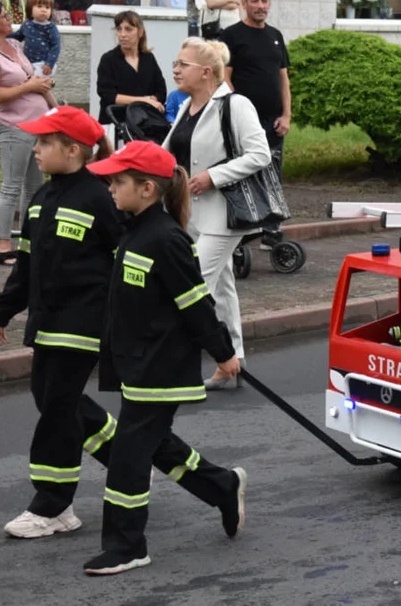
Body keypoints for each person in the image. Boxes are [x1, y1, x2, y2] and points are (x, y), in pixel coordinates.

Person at [83, 140, 246, 575]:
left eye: (118, 181)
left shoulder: (167, 239)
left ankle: (127, 545)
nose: (111, 189)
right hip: (136, 362)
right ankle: (222, 485)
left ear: (148, 190)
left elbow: (196, 305)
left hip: (161, 367)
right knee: (154, 445)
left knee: (129, 455)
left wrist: (224, 353)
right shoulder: (132, 229)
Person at [0, 107, 119, 539]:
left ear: (73, 151)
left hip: (83, 324)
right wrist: (2, 311)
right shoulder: (41, 199)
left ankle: (53, 506)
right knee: (47, 397)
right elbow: (26, 268)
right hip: (46, 322)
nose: (34, 149)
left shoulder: (99, 198)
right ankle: (128, 455)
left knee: (56, 410)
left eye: (44, 143)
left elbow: (126, 257)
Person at [165, 37, 272, 390]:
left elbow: (260, 154)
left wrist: (214, 176)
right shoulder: (186, 106)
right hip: (191, 215)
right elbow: (168, 154)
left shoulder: (236, 104)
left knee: (192, 288)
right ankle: (234, 361)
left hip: (225, 216)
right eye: (176, 64)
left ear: (207, 72)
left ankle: (169, 370)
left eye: (183, 64)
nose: (176, 69)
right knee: (223, 288)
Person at [0, 0, 54, 266]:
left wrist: (50, 97)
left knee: (34, 186)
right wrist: (29, 86)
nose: (10, 18)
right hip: (13, 126)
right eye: (4, 15)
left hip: (38, 124)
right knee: (11, 186)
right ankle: (2, 243)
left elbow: (34, 79)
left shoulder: (16, 46)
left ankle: (28, 242)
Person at [222, 0, 290, 183]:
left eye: (264, 1)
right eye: (255, 1)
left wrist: (286, 115)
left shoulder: (275, 35)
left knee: (273, 178)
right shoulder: (231, 35)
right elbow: (224, 77)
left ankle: (273, 214)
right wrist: (237, 110)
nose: (261, 6)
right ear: (244, 3)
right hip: (245, 120)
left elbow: (284, 79)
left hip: (274, 122)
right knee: (247, 177)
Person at [96, 11, 167, 124]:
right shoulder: (108, 59)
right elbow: (107, 95)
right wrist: (144, 100)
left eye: (128, 29)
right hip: (115, 123)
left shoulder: (148, 58)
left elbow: (161, 91)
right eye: (119, 29)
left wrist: (152, 101)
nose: (122, 34)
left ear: (140, 32)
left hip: (144, 123)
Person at [10, 0, 60, 76]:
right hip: (27, 62)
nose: (44, 10)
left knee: (35, 84)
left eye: (47, 7)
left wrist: (49, 64)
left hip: (43, 64)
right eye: (39, 6)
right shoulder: (27, 24)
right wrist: (4, 36)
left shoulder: (50, 27)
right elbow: (18, 36)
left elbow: (55, 46)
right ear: (30, 8)